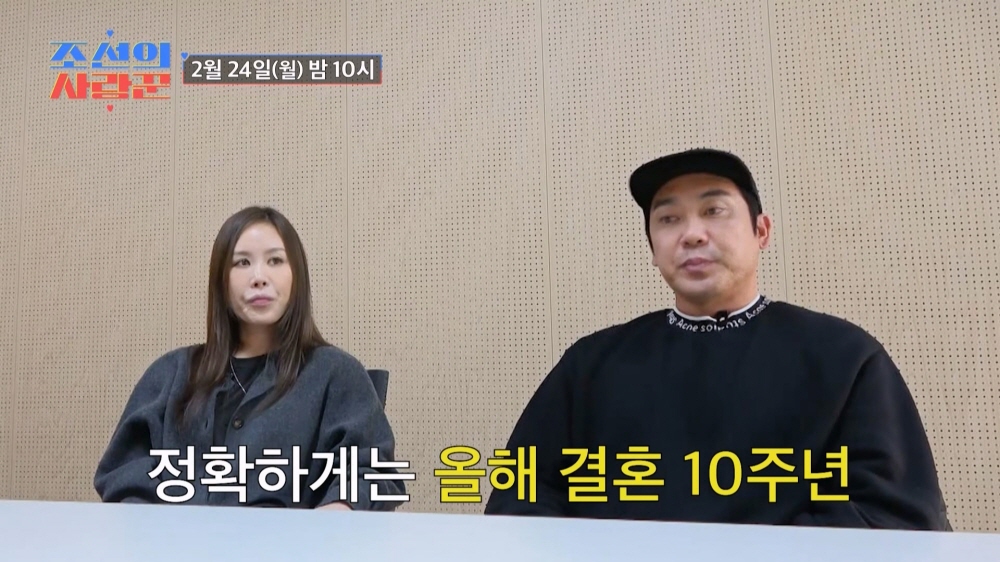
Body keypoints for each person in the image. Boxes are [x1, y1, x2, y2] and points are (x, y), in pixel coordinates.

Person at [484, 148, 951, 530]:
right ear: (653, 249)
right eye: (669, 219)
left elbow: (894, 516)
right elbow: (520, 493)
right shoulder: (592, 365)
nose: (691, 234)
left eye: (714, 211)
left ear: (761, 231)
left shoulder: (843, 357)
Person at [95, 206, 405, 510]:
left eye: (275, 260)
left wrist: (334, 516)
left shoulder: (335, 372)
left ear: (296, 275)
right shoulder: (172, 372)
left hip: (293, 541)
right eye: (242, 262)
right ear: (222, 281)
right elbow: (124, 473)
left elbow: (373, 474)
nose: (259, 277)